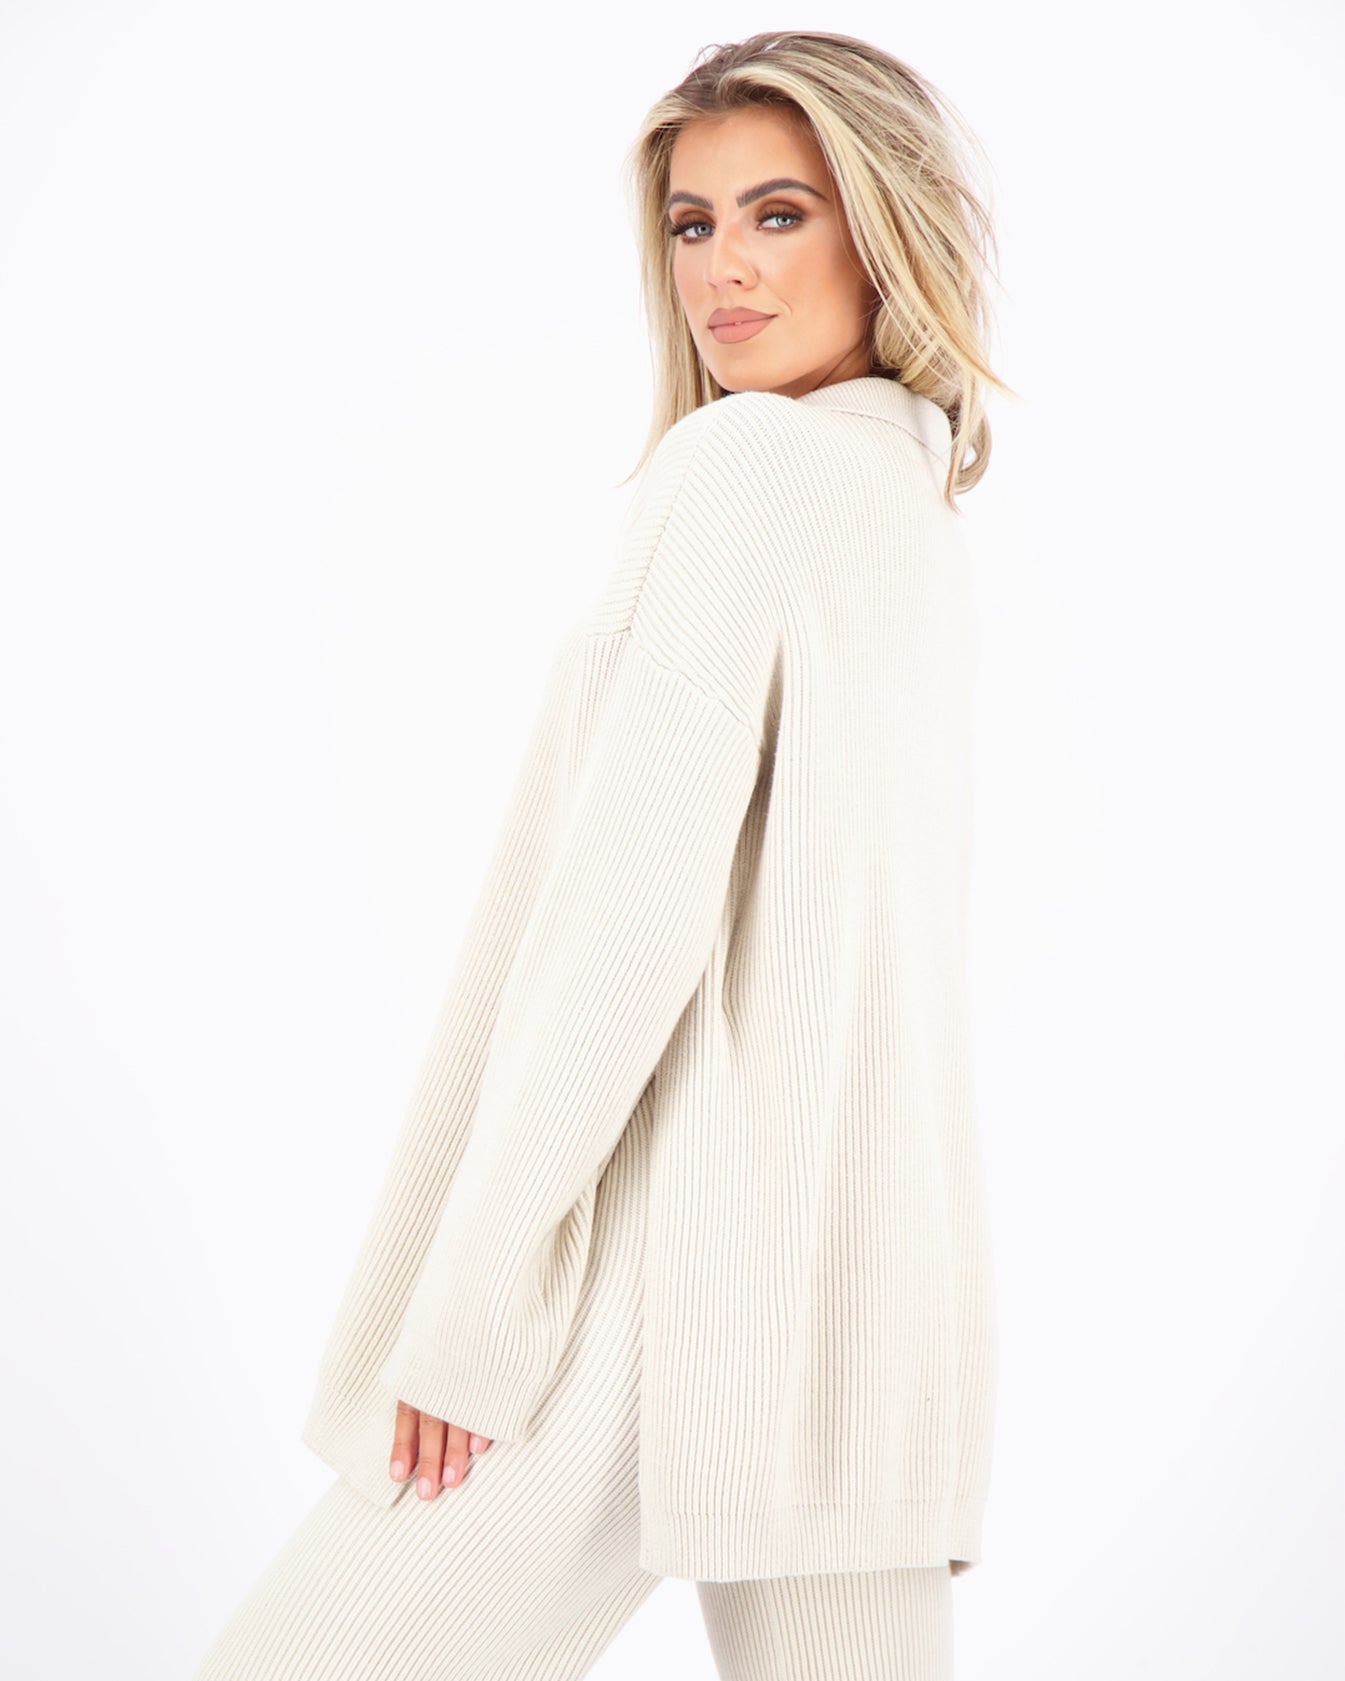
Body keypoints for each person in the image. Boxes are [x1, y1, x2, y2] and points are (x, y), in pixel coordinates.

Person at [192, 28, 1013, 1681]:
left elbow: (624, 927)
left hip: (658, 1288)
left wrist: (477, 1303)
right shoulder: (909, 509)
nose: (721, 269)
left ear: (886, 228)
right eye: (691, 223)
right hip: (862, 1311)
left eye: (778, 213)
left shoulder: (745, 469)